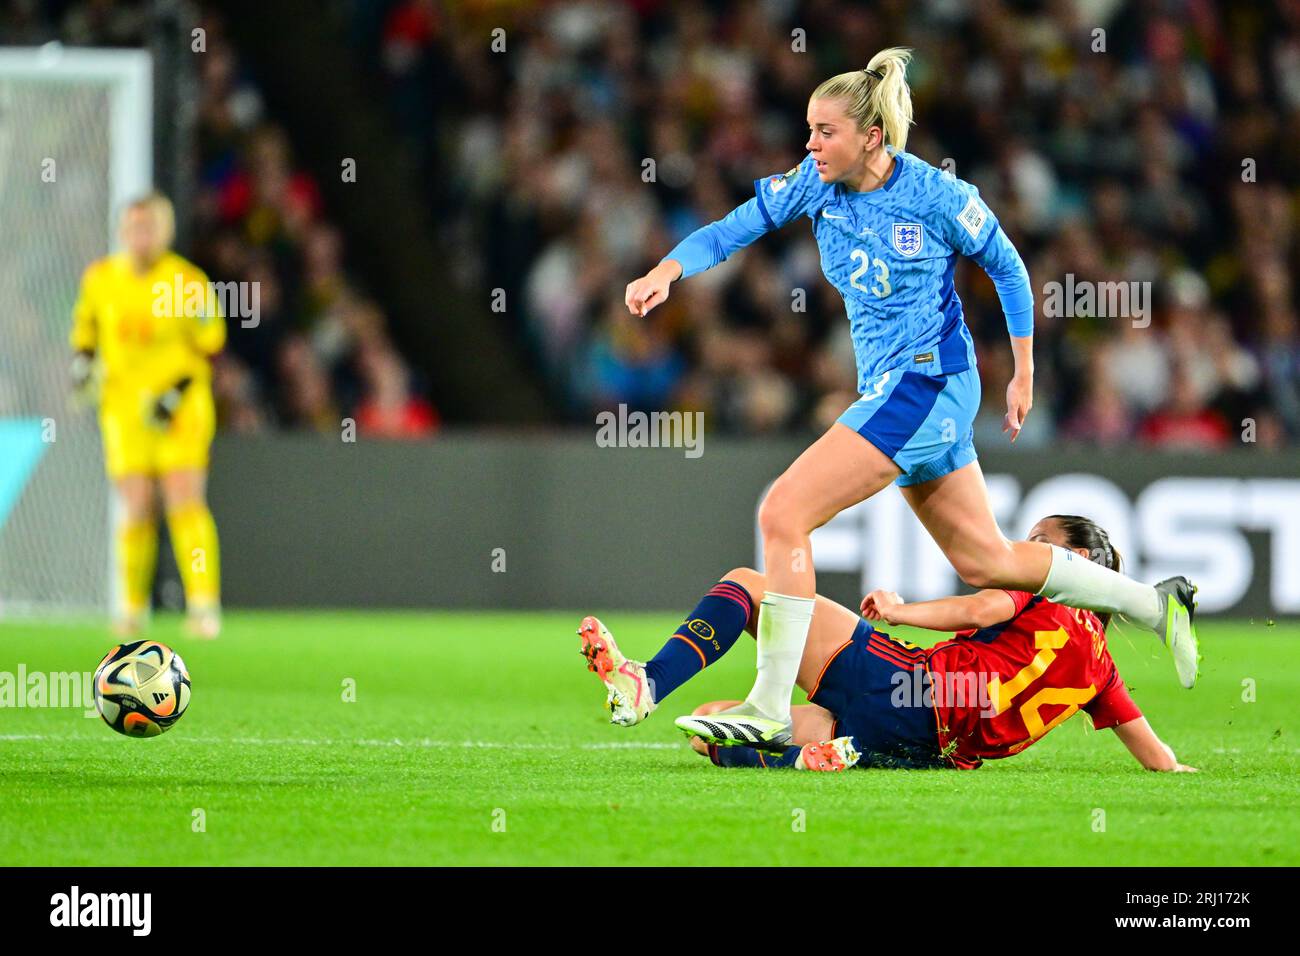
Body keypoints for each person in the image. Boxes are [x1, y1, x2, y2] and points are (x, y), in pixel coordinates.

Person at [622, 48, 1199, 748]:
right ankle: (1153, 603)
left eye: (824, 131)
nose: (810, 145)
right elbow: (732, 228)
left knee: (783, 511)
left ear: (871, 136)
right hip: (901, 390)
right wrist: (668, 270)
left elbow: (1009, 267)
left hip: (929, 382)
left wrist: (1023, 371)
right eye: (808, 129)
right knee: (987, 559)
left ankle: (770, 703)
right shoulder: (815, 183)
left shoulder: (934, 193)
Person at [580, 515, 1196, 774]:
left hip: (898, 682)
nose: (1023, 549)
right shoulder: (1102, 672)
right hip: (924, 748)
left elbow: (981, 606)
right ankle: (812, 758)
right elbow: (1155, 755)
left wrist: (904, 611)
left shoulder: (1040, 595)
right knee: (708, 727)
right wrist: (1181, 773)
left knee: (748, 585)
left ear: (1078, 560)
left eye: (1041, 542)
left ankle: (650, 680)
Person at [70, 192, 226, 638]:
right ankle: (133, 609)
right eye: (134, 226)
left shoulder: (187, 283)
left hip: (179, 406)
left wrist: (174, 393)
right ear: (121, 231)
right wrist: (82, 364)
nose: (141, 236)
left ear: (167, 232)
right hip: (123, 410)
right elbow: (85, 330)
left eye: (150, 227)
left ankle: (202, 605)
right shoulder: (99, 280)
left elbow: (211, 346)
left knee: (184, 499)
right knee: (136, 506)